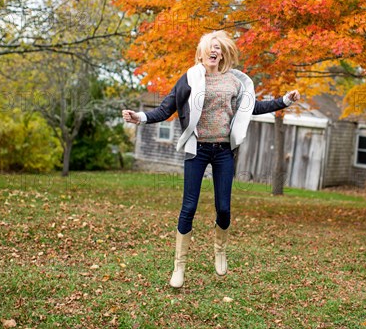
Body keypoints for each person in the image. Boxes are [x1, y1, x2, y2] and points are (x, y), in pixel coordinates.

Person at [122, 30, 300, 288]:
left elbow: (254, 107)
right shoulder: (189, 79)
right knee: (189, 207)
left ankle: (220, 250)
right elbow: (165, 109)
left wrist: (284, 100)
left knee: (224, 208)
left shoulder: (234, 83)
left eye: (218, 47)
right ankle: (179, 267)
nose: (214, 50)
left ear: (222, 53)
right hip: (197, 149)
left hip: (223, 151)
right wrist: (140, 117)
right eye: (210, 46)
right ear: (201, 53)